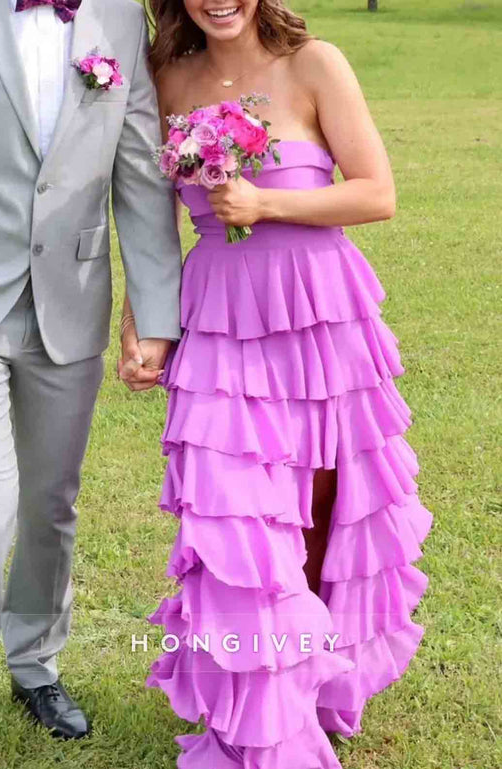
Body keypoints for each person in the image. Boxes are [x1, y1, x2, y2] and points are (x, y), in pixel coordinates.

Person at [120, 0, 433, 766]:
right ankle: (256, 710)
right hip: (221, 316)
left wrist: (266, 203)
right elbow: (148, 217)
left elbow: (375, 192)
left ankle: (320, 684)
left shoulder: (314, 64)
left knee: (322, 510)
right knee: (236, 516)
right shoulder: (165, 76)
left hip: (320, 311)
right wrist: (140, 327)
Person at [0, 0, 181, 765]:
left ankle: (35, 665)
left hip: (71, 304)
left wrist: (155, 315)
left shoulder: (121, 22)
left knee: (50, 504)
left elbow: (139, 174)